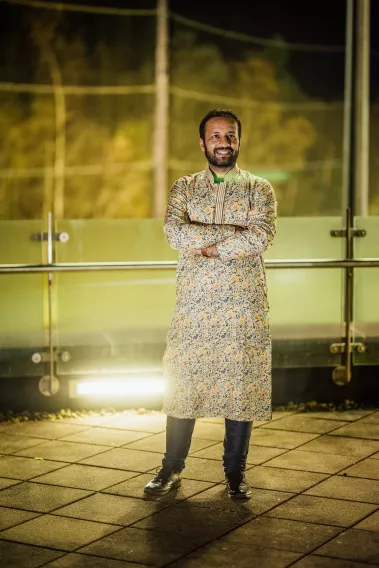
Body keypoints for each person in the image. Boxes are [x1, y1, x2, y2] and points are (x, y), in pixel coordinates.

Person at [144, 108, 277, 499]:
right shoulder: (184, 187)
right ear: (203, 142)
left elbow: (261, 237)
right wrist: (231, 232)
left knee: (240, 384)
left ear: (239, 141)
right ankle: (171, 469)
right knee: (184, 380)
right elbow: (173, 232)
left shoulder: (260, 189)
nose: (224, 142)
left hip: (243, 304)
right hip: (194, 303)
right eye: (216, 136)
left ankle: (235, 473)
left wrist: (207, 243)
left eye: (231, 136)